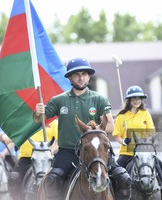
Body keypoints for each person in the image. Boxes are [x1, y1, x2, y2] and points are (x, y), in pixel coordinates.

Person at [34, 57, 131, 200]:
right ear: (70, 78)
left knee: (123, 178)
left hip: (97, 152)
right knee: (51, 181)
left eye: (84, 74)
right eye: (77, 74)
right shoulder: (59, 100)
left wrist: (94, 131)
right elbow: (39, 120)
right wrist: (38, 112)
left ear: (89, 76)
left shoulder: (99, 99)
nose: (81, 78)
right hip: (68, 151)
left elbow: (110, 125)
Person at [112, 85, 162, 191]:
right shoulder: (121, 116)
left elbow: (151, 133)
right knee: (112, 176)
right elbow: (117, 136)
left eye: (139, 98)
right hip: (127, 154)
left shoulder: (145, 114)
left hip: (144, 153)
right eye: (134, 98)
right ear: (129, 100)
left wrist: (144, 141)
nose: (137, 101)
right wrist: (123, 142)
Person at [0, 120, 58, 200]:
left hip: (46, 159)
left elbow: (59, 141)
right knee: (14, 178)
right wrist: (2, 138)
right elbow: (9, 139)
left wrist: (50, 151)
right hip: (26, 158)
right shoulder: (25, 121)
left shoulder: (53, 122)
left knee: (58, 178)